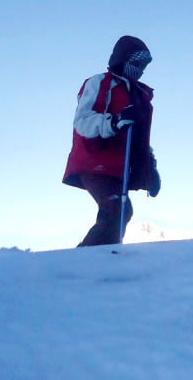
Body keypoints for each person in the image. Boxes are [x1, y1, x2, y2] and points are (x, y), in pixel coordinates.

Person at [62, 35, 160, 246]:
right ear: (122, 59)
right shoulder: (99, 83)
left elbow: (139, 139)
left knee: (121, 209)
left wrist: (150, 168)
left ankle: (105, 257)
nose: (140, 70)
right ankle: (86, 259)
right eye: (135, 63)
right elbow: (82, 121)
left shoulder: (137, 94)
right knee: (116, 207)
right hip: (93, 160)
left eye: (143, 66)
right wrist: (115, 121)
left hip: (118, 167)